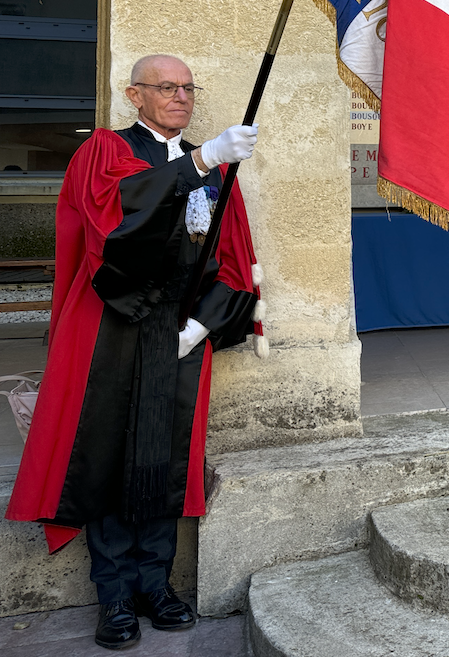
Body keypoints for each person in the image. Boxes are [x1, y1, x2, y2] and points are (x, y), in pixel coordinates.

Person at [5, 55, 264, 650]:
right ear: (134, 95)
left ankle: (156, 585)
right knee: (110, 456)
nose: (180, 97)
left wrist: (200, 326)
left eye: (187, 88)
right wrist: (202, 161)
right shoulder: (105, 150)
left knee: (165, 457)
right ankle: (115, 595)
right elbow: (115, 221)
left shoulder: (216, 166)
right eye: (166, 87)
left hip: (180, 332)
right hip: (114, 328)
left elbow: (231, 256)